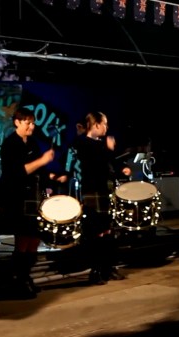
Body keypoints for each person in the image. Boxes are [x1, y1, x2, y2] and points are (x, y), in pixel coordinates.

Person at [0, 106, 62, 298]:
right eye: (28, 123)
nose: (31, 126)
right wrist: (42, 161)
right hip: (18, 197)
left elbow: (38, 170)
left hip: (33, 195)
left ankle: (26, 276)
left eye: (33, 123)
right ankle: (18, 280)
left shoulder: (32, 142)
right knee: (23, 240)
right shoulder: (10, 144)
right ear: (17, 122)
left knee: (34, 239)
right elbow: (18, 171)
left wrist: (51, 178)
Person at [72, 111, 127, 284]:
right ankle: (96, 270)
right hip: (92, 191)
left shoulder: (100, 145)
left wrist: (121, 169)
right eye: (104, 123)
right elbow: (96, 160)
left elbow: (109, 163)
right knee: (96, 231)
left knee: (108, 230)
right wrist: (109, 149)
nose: (106, 127)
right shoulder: (83, 143)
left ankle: (108, 267)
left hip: (105, 190)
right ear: (95, 125)